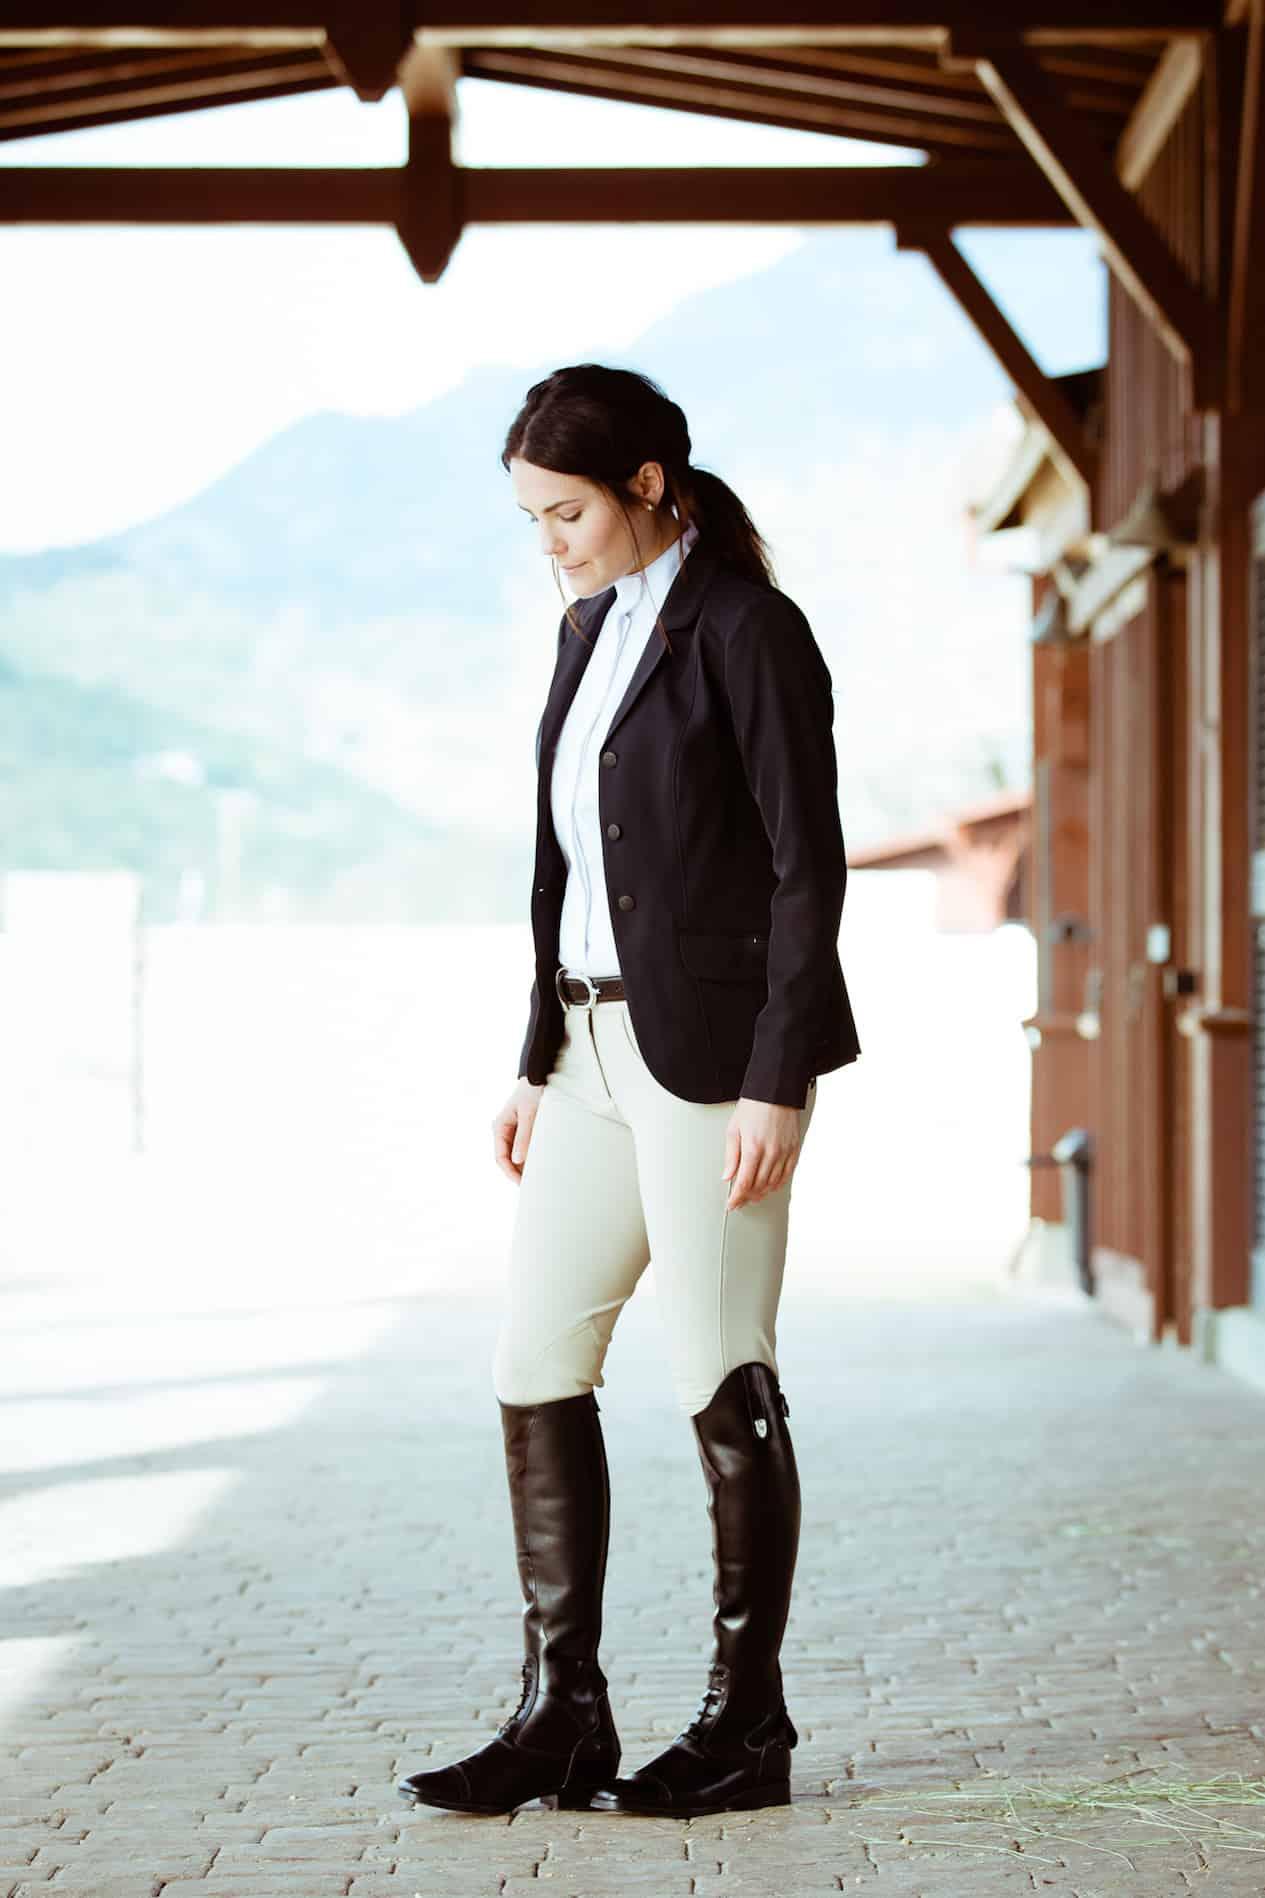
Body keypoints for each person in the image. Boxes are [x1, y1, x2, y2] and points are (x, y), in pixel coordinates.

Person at [398, 363, 860, 1821]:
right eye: (532, 517)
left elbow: (805, 866)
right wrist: (535, 1054)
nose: (551, 540)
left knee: (718, 1367)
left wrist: (776, 1077)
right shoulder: (585, 628)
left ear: (649, 484)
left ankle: (745, 1726)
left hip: (714, 1067)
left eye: (568, 510)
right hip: (587, 1057)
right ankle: (562, 1715)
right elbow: (570, 869)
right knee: (533, 1359)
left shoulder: (747, 628)